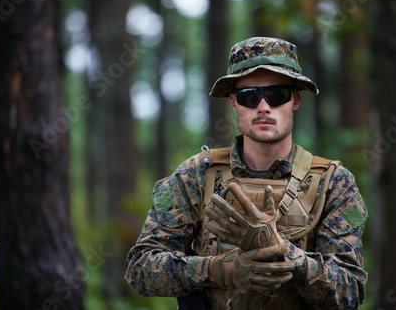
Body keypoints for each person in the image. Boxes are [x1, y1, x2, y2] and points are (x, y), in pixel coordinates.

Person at [124, 37, 368, 309]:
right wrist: (219, 269)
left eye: (277, 95)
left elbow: (350, 293)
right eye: (249, 96)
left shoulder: (333, 182)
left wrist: (288, 255)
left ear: (295, 100)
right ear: (233, 103)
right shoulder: (197, 175)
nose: (263, 107)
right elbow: (140, 269)